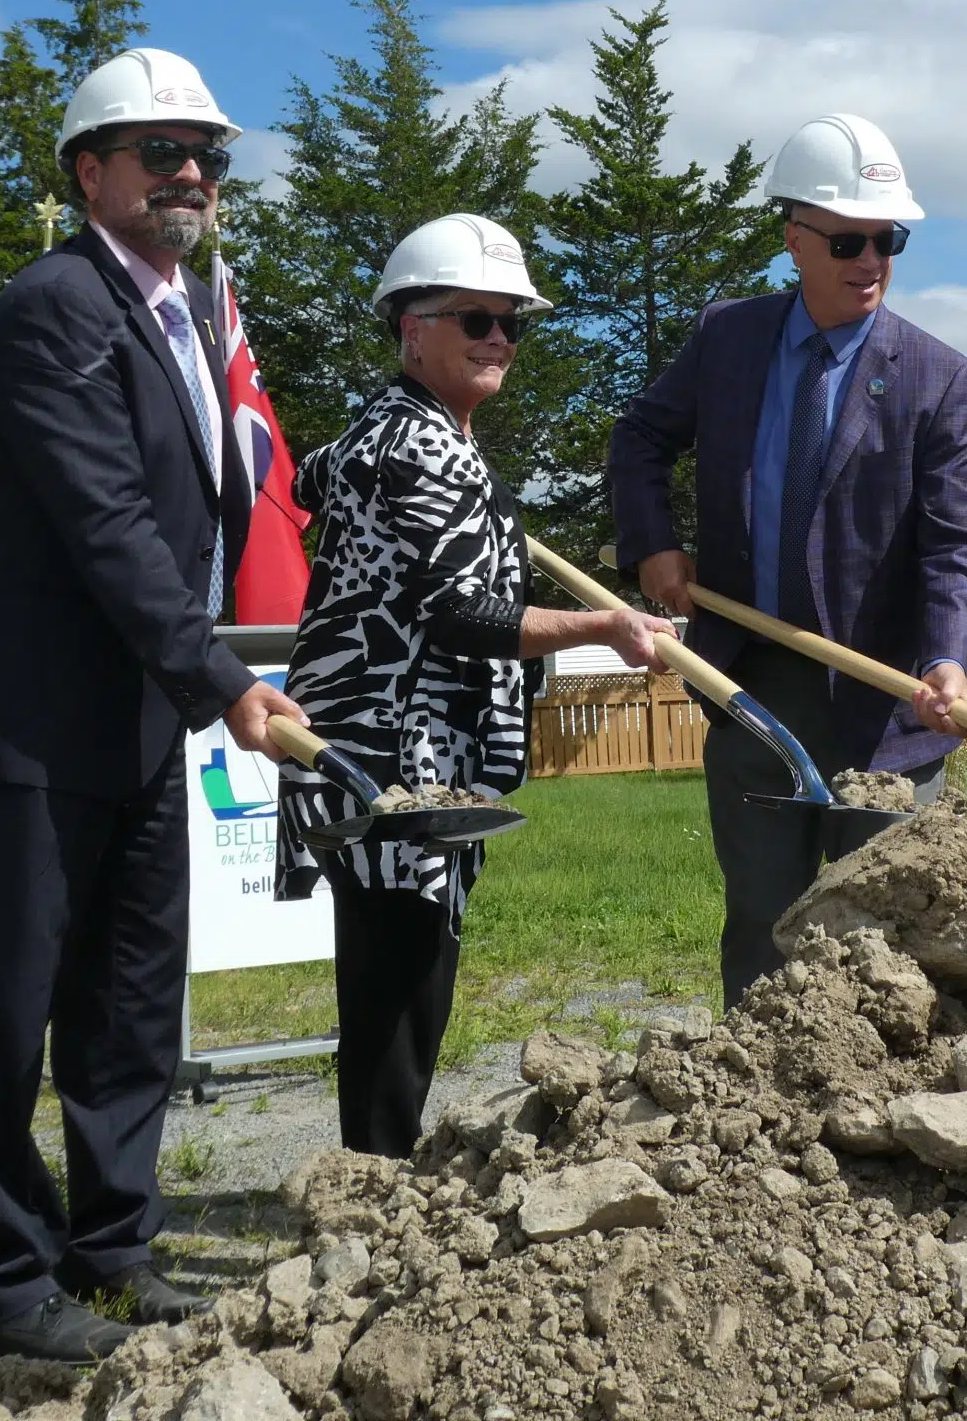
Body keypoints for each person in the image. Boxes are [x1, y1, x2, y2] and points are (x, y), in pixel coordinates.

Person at [0, 48, 311, 1363]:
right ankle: (0, 1280)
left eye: (206, 154)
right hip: (32, 723)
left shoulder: (186, 313)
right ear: (92, 172)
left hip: (137, 723)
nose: (190, 173)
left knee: (132, 1003)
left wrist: (194, 685)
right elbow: (110, 525)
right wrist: (228, 679)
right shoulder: (54, 307)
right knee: (10, 1005)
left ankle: (112, 1251)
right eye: (160, 153)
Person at [272, 214, 673, 1157]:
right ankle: (371, 1195)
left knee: (408, 984)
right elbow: (461, 618)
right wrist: (606, 625)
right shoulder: (413, 447)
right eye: (476, 320)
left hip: (416, 760)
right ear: (412, 329)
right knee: (397, 993)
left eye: (513, 324)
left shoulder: (424, 438)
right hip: (386, 761)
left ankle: (380, 1178)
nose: (499, 339)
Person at [608, 115, 967, 1007]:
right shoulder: (729, 340)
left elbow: (959, 543)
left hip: (887, 706)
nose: (873, 258)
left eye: (888, 239)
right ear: (795, 238)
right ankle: (754, 1122)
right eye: (850, 239)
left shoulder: (939, 379)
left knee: (886, 938)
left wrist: (947, 658)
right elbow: (640, 436)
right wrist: (654, 544)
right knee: (763, 926)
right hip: (755, 689)